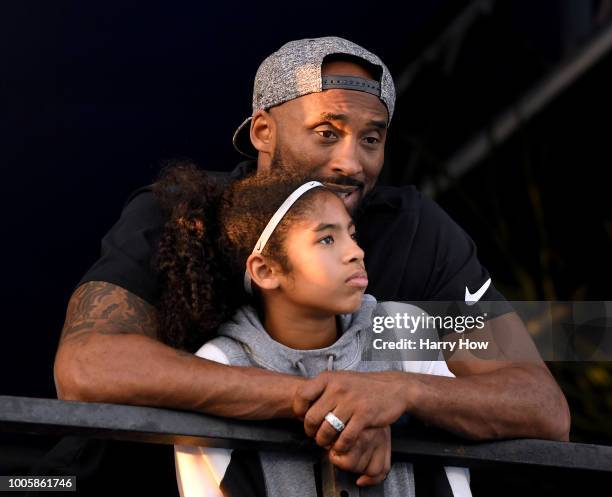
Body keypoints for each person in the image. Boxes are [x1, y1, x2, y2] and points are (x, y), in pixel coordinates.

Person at [54, 36, 570, 486]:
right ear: (263, 133)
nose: (351, 162)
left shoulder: (415, 232)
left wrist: (401, 389)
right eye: (327, 131)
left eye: (371, 139)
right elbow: (88, 366)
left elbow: (541, 406)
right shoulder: (181, 213)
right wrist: (324, 399)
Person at [167, 166, 471, 497]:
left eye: (351, 235)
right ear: (266, 270)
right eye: (327, 239)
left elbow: (454, 469)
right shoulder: (221, 362)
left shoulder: (400, 330)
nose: (356, 252)